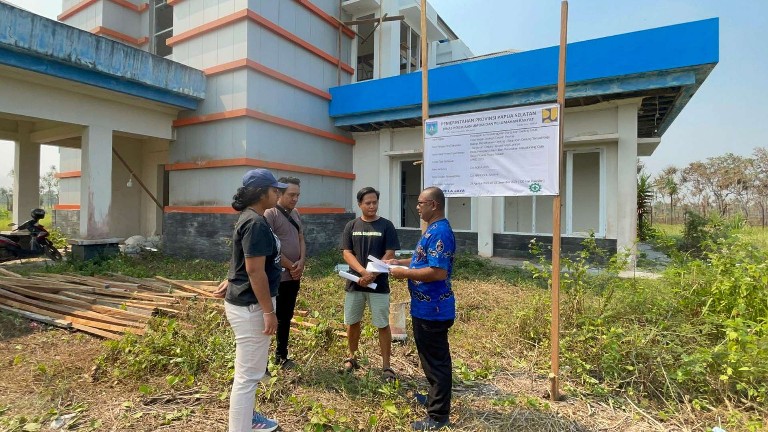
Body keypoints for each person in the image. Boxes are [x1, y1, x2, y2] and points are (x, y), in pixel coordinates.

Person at [215, 168, 287, 432]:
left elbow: (243, 259)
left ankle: (248, 419)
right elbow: (255, 270)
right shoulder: (255, 222)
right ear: (261, 193)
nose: (278, 193)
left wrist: (233, 277)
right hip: (252, 306)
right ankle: (241, 427)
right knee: (248, 377)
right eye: (274, 189)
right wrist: (268, 312)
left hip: (247, 300)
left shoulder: (252, 218)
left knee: (249, 373)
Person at [389, 186, 456, 431]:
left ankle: (438, 416)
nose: (417, 207)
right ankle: (432, 399)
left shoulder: (440, 233)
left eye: (420, 203)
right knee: (428, 358)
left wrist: (404, 273)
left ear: (434, 205)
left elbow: (438, 272)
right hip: (423, 307)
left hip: (434, 310)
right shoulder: (432, 230)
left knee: (437, 361)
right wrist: (399, 262)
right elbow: (422, 260)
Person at [340, 186, 400, 381]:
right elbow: (347, 252)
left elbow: (390, 253)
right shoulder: (352, 226)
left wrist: (372, 274)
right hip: (355, 283)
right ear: (360, 204)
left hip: (379, 285)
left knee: (382, 324)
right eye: (368, 203)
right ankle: (352, 357)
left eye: (374, 202)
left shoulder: (386, 226)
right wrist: (362, 272)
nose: (372, 206)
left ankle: (386, 366)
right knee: (352, 322)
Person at [264, 176, 306, 369]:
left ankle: (281, 355)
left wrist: (301, 262)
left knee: (286, 316)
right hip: (277, 277)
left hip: (293, 275)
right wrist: (290, 265)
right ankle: (261, 361)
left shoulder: (295, 213)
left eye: (297, 195)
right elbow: (270, 247)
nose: (295, 199)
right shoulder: (270, 214)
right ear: (279, 193)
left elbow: (300, 238)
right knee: (270, 317)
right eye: (291, 195)